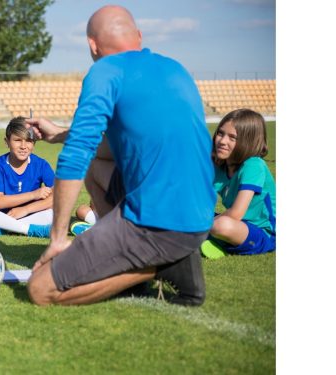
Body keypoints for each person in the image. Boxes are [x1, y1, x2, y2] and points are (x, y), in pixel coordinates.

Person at [24, 5, 216, 306]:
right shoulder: (174, 68)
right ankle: (136, 252)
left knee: (40, 289)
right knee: (97, 167)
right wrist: (60, 134)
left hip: (159, 223)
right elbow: (119, 145)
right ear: (138, 36)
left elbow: (76, 157)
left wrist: (58, 238)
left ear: (92, 44)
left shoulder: (104, 71)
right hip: (201, 216)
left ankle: (156, 266)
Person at [200, 109, 276, 259]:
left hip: (262, 232)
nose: (222, 141)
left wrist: (197, 226)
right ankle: (215, 242)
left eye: (232, 137)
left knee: (221, 226)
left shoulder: (254, 165)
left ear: (247, 142)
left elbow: (236, 213)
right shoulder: (219, 165)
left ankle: (209, 239)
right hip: (234, 223)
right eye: (221, 133)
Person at [0, 116, 56, 238]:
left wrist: (26, 209)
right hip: (4, 214)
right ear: (7, 142)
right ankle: (29, 229)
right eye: (17, 140)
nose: (23, 146)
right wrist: (34, 194)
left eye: (28, 140)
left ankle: (2, 229)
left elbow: (58, 197)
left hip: (31, 212)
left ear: (34, 143)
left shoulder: (41, 164)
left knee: (54, 212)